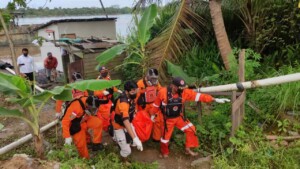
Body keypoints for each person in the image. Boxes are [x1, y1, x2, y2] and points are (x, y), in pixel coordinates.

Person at [150, 77, 230, 158]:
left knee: (191, 129)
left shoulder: (184, 92)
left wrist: (214, 99)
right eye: (180, 88)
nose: (182, 89)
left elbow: (199, 96)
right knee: (165, 139)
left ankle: (187, 149)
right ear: (173, 86)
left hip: (179, 117)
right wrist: (152, 114)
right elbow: (156, 105)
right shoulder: (163, 92)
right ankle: (165, 152)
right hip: (167, 119)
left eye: (183, 87)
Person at [112, 81, 143, 162]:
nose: (135, 92)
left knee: (133, 142)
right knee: (127, 150)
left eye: (135, 90)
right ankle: (124, 160)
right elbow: (125, 121)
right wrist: (135, 138)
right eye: (133, 91)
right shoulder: (123, 103)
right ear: (126, 91)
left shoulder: (132, 95)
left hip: (128, 122)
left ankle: (124, 142)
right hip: (119, 125)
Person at [136, 68, 163, 141]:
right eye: (153, 78)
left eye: (155, 78)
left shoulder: (157, 83)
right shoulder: (140, 83)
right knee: (143, 122)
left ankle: (156, 138)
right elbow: (136, 97)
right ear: (147, 77)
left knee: (157, 120)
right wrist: (135, 109)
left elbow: (161, 91)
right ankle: (143, 137)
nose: (154, 80)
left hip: (153, 105)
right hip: (143, 106)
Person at [94, 66, 122, 132]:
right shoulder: (98, 80)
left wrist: (117, 90)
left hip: (110, 99)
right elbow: (95, 92)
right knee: (105, 116)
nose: (105, 72)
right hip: (103, 101)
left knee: (112, 112)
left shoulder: (108, 78)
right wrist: (102, 92)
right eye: (103, 71)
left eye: (105, 70)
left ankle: (112, 125)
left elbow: (112, 86)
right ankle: (106, 127)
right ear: (100, 72)